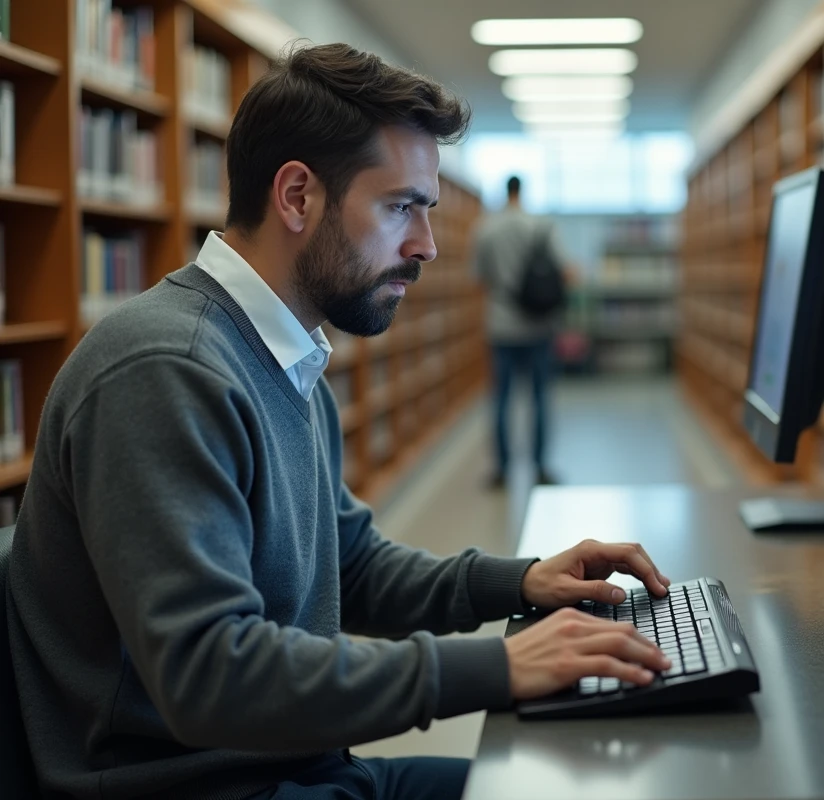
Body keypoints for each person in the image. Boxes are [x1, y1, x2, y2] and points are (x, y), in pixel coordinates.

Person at [6, 43, 669, 800]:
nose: (426, 245)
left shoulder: (287, 356)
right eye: (400, 208)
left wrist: (519, 582)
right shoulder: (167, 371)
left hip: (298, 768)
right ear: (297, 197)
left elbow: (349, 567)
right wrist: (500, 668)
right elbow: (207, 671)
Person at [472, 176, 571, 489]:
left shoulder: (485, 228)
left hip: (501, 325)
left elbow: (478, 278)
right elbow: (563, 270)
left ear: (504, 192)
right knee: (540, 397)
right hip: (539, 326)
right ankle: (540, 467)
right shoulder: (541, 226)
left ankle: (501, 470)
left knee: (501, 399)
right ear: (522, 192)